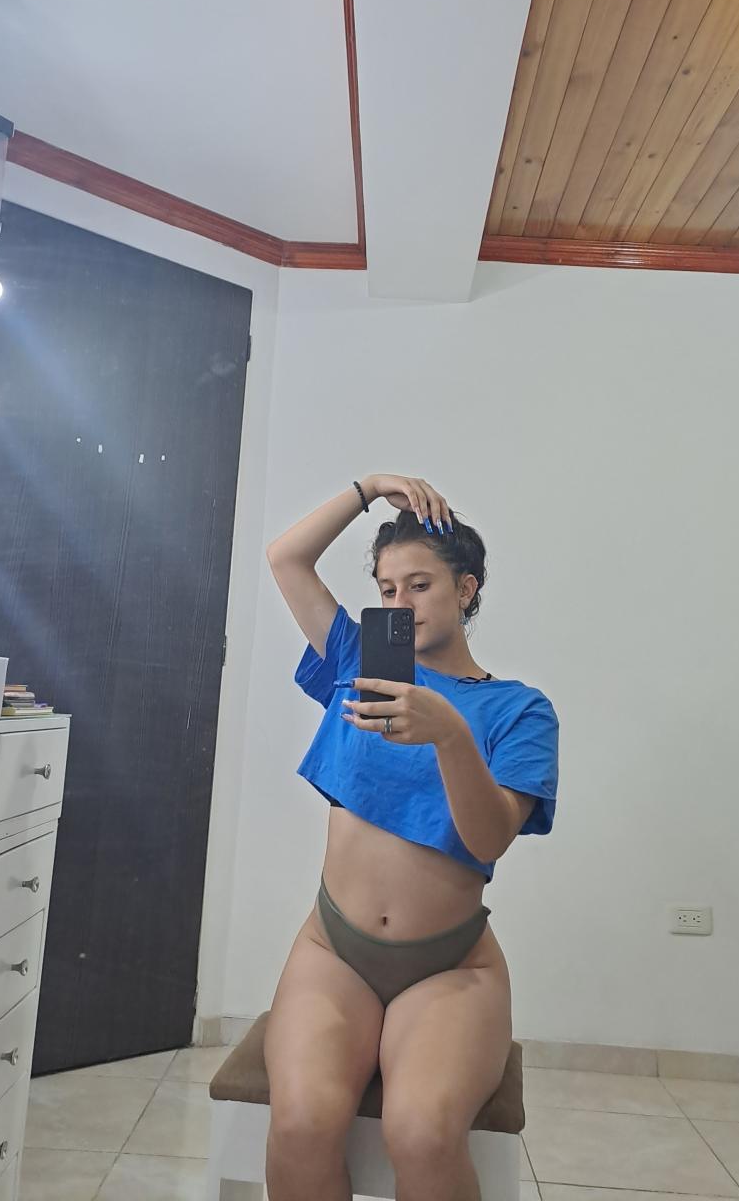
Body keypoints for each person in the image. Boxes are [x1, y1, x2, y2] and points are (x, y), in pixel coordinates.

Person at [264, 472, 559, 1201]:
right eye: (387, 589)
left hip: (451, 968)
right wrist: (369, 487)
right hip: (333, 950)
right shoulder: (357, 662)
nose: (400, 604)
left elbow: (487, 841)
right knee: (301, 1122)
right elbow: (286, 558)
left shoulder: (519, 710)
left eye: (420, 586)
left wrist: (450, 734)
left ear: (466, 589)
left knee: (422, 1133)